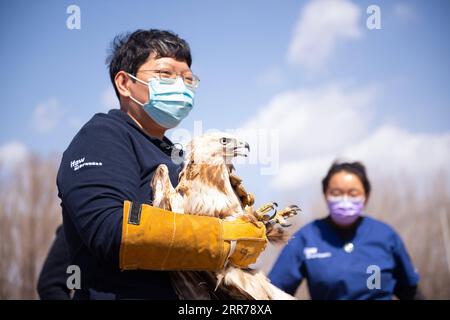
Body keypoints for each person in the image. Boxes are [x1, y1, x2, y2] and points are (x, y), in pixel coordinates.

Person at [49, 29, 267, 299]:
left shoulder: (176, 155)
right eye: (165, 74)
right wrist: (222, 238)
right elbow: (112, 230)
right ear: (125, 83)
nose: (181, 85)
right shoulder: (102, 136)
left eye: (188, 79)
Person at [269, 161, 421, 300]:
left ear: (366, 197)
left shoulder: (386, 236)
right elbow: (272, 292)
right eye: (336, 193)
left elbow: (411, 291)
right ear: (325, 195)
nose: (345, 199)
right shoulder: (306, 237)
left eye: (353, 193)